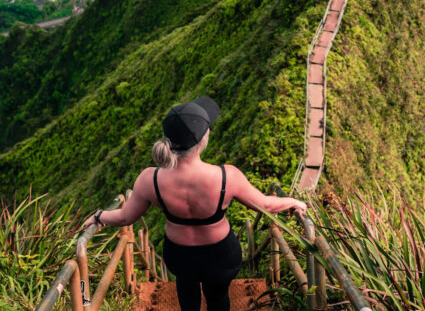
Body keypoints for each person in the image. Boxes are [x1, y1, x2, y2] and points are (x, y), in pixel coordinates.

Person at [84, 96, 307, 311]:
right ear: (202, 140)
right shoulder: (227, 176)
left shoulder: (149, 179)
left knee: (187, 294)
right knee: (218, 298)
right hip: (221, 254)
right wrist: (293, 201)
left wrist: (98, 216)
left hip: (180, 256)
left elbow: (125, 217)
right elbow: (266, 205)